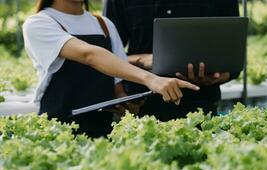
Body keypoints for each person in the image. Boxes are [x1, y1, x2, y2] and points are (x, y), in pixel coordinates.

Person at [22, 0, 199, 138]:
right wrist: (152, 79)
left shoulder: (104, 25)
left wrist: (126, 105)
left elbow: (118, 89)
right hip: (59, 127)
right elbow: (89, 55)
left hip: (102, 130)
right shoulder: (39, 23)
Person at [103, 0, 240, 121]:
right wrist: (140, 60)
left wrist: (218, 76)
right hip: (140, 107)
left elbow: (234, 56)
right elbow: (105, 56)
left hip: (202, 107)